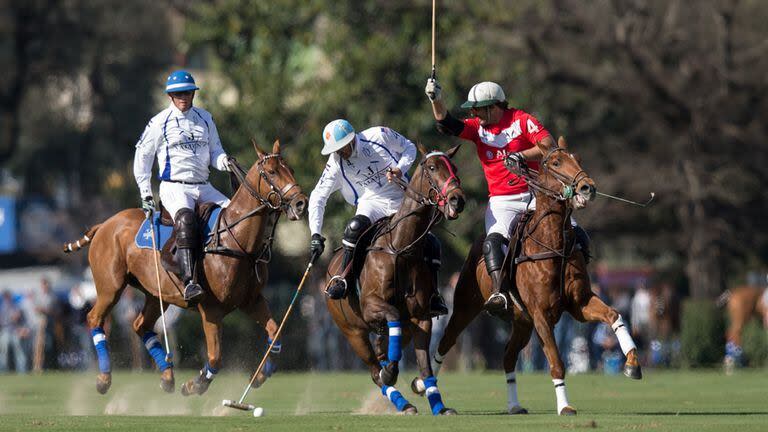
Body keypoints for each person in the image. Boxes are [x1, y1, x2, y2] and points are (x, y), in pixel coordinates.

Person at [424, 78, 590, 315]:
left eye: (478, 108)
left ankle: (579, 283)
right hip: (502, 201)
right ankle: (500, 293)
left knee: (577, 233)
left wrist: (520, 155)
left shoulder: (522, 120)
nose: (473, 113)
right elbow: (446, 123)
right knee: (492, 243)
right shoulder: (477, 128)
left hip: (534, 194)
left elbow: (548, 145)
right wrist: (435, 99)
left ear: (493, 107)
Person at [307, 119, 448, 316]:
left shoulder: (379, 135)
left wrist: (400, 168)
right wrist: (315, 233)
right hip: (371, 201)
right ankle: (344, 278)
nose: (339, 153)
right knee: (354, 228)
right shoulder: (334, 163)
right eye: (335, 150)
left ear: (351, 140)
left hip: (402, 197)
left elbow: (409, 148)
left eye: (341, 148)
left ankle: (433, 295)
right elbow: (317, 196)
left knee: (432, 243)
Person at [133, 70, 233, 302]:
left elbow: (215, 152)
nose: (183, 97)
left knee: (235, 215)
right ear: (170, 95)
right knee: (186, 219)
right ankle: (190, 281)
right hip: (174, 187)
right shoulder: (159, 122)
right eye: (178, 93)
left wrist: (225, 161)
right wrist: (146, 193)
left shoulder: (205, 118)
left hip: (203, 185)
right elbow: (143, 158)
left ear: (193, 94)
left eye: (187, 92)